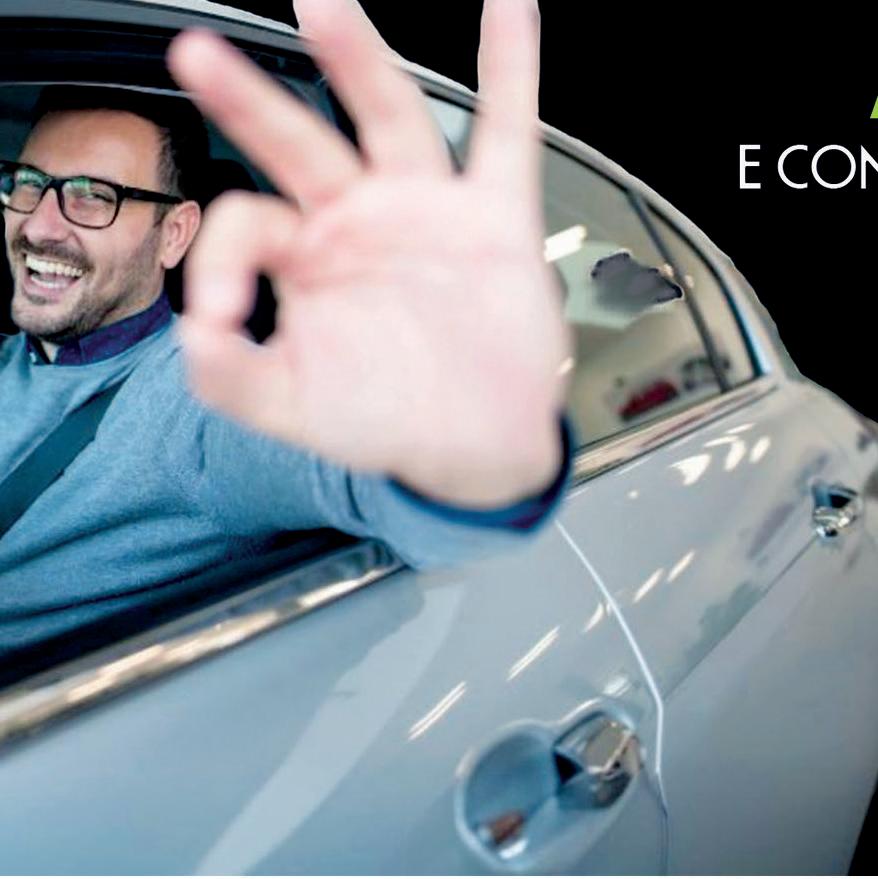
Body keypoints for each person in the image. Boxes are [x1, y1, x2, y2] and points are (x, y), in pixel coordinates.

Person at [0, 0, 574, 650]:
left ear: (175, 234)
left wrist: (470, 431)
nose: (40, 224)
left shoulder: (202, 403)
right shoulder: (10, 357)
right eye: (29, 182)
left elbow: (373, 485)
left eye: (92, 196)